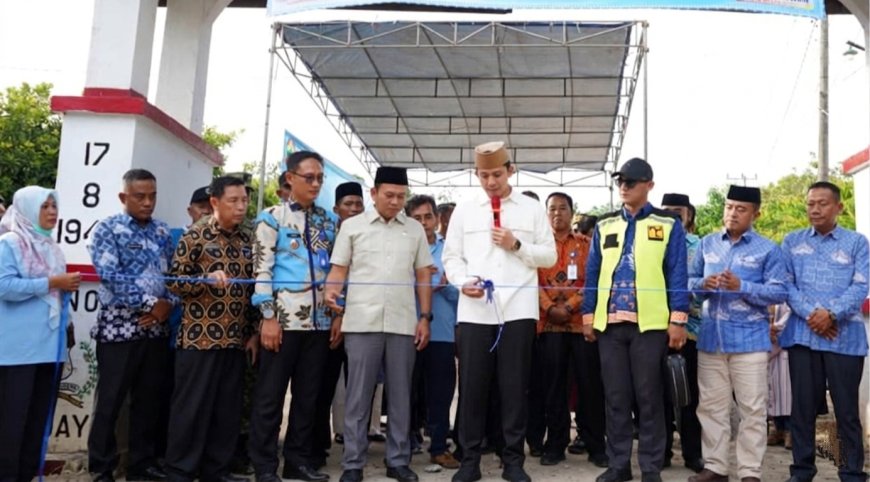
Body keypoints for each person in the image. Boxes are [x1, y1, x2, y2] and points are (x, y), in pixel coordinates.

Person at [442, 141, 556, 482]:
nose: (491, 182)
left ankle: (513, 462)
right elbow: (451, 257)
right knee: (473, 388)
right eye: (484, 175)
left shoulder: (531, 209)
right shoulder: (465, 208)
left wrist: (516, 245)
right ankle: (470, 460)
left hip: (518, 309)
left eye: (496, 174)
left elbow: (548, 256)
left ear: (511, 170)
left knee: (514, 387)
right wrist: (462, 282)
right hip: (475, 310)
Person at [580, 157, 688, 482]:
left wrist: (678, 320)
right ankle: (619, 465)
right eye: (620, 182)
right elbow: (593, 273)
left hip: (651, 325)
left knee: (649, 397)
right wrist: (588, 316)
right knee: (615, 396)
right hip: (609, 325)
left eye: (632, 181)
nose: (624, 187)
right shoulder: (604, 224)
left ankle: (651, 468)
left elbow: (677, 274)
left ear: (649, 185)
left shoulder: (668, 224)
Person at [325, 166, 433, 482]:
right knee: (358, 396)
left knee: (401, 395)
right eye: (389, 195)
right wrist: (332, 293)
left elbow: (424, 273)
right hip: (361, 322)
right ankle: (353, 463)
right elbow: (339, 268)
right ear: (373, 194)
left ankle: (398, 461)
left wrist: (425, 317)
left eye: (401, 196)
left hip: (403, 323)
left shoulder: (413, 229)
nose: (396, 201)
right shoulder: (352, 227)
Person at [163, 176, 260, 482]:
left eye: (244, 200)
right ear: (215, 202)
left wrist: (252, 332)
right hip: (199, 339)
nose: (241, 206)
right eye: (234, 200)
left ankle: (216, 471)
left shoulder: (247, 239)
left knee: (226, 411)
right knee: (190, 410)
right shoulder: (196, 235)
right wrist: (203, 279)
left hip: (234, 339)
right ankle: (179, 471)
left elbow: (252, 292)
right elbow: (174, 282)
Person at [247, 151, 337, 482]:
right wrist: (267, 317)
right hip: (282, 323)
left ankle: (297, 461)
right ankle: (264, 466)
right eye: (308, 177)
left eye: (319, 178)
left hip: (319, 323)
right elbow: (261, 270)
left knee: (308, 397)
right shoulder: (271, 218)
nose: (315, 184)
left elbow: (336, 272)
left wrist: (335, 315)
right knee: (270, 397)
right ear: (290, 178)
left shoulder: (328, 221)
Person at [688, 185, 787, 482]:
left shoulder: (768, 249)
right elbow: (688, 283)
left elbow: (778, 291)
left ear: (756, 213)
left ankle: (749, 472)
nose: (732, 213)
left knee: (753, 409)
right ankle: (716, 467)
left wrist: (740, 286)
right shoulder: (707, 244)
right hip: (710, 339)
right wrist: (704, 284)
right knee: (711, 407)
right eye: (729, 207)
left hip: (749, 342)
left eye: (741, 209)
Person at [87, 169, 178, 482]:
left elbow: (174, 279)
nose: (148, 202)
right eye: (140, 196)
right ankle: (101, 467)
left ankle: (142, 464)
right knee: (110, 401)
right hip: (118, 331)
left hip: (156, 331)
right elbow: (111, 277)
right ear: (124, 197)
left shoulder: (163, 232)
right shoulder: (107, 230)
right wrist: (153, 305)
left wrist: (167, 306)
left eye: (152, 195)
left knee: (149, 400)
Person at [780, 181, 869, 482]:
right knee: (803, 411)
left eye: (822, 203)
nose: (815, 209)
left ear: (839, 207)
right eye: (810, 204)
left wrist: (831, 315)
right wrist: (813, 316)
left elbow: (860, 286)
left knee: (845, 413)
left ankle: (850, 472)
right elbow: (786, 286)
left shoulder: (857, 243)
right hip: (802, 337)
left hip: (844, 339)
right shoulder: (791, 242)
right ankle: (802, 471)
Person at [0, 186, 80, 482]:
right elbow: (4, 286)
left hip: (48, 349)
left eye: (54, 206)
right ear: (28, 209)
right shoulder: (10, 243)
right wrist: (51, 282)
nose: (51, 212)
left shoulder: (52, 248)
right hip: (15, 352)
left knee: (36, 422)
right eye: (44, 206)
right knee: (11, 423)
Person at [531, 192, 607, 468]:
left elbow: (594, 280)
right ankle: (555, 444)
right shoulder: (538, 248)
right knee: (553, 388)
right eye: (552, 209)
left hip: (581, 326)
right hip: (549, 325)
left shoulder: (587, 244)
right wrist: (550, 307)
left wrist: (571, 306)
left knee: (590, 387)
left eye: (563, 208)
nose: (557, 214)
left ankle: (596, 444)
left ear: (572, 213)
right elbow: (532, 281)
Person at [311, 181, 366, 469]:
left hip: (363, 322)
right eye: (348, 204)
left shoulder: (370, 235)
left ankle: (357, 447)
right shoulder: (328, 236)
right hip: (330, 322)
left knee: (359, 387)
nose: (354, 209)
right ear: (336, 209)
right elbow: (327, 277)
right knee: (322, 385)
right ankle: (317, 446)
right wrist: (338, 314)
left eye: (359, 204)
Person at [406, 194, 461, 469]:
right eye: (417, 218)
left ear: (437, 219)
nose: (424, 223)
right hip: (406, 329)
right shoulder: (403, 248)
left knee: (441, 392)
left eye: (428, 217)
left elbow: (463, 295)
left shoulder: (450, 250)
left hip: (442, 332)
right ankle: (402, 446)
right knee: (406, 391)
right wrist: (418, 282)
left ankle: (439, 447)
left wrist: (445, 285)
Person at [658, 193, 704, 473]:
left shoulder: (700, 246)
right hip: (654, 330)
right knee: (657, 394)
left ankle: (693, 453)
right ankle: (661, 453)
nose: (673, 216)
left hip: (692, 330)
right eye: (668, 211)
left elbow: (701, 287)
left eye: (679, 211)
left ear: (689, 216)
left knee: (691, 396)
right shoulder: (651, 243)